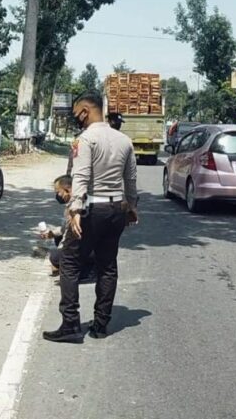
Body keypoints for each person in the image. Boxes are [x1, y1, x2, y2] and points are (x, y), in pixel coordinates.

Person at [43, 92, 138, 343]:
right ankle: (100, 325)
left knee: (70, 264)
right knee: (107, 266)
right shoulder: (124, 140)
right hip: (117, 209)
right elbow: (130, 180)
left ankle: (71, 324)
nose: (77, 120)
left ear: (86, 111)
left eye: (77, 115)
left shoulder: (84, 140)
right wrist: (132, 207)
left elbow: (81, 177)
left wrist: (74, 210)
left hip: (91, 210)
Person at [42, 175, 96, 281]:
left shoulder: (76, 207)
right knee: (58, 238)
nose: (58, 195)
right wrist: (52, 233)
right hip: (88, 244)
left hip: (88, 246)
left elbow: (69, 233)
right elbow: (65, 228)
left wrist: (60, 256)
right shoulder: (80, 200)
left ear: (67, 190)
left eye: (58, 192)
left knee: (55, 256)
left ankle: (85, 269)